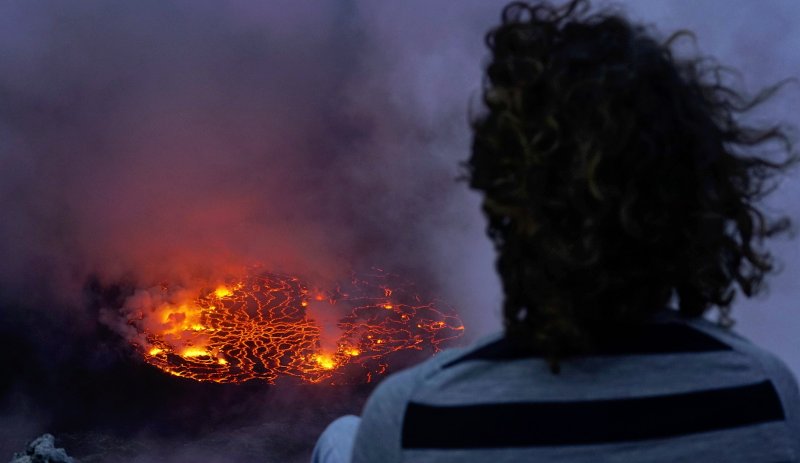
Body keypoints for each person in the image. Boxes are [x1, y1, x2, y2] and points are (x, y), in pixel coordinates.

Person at [312, 0, 800, 461]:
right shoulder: (767, 393)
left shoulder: (413, 412)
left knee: (341, 438)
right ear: (694, 201)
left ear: (509, 201)